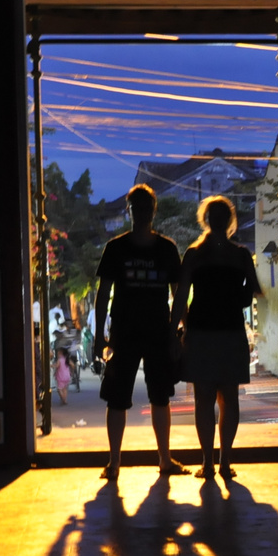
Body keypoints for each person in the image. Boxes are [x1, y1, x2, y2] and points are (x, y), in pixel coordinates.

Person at [92, 184, 185, 479]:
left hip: (157, 331)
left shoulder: (167, 249)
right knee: (117, 397)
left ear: (153, 210)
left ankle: (164, 460)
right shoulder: (116, 248)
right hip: (125, 331)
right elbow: (102, 294)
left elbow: (178, 295)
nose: (142, 213)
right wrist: (98, 337)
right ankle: (115, 461)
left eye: (146, 208)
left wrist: (175, 333)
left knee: (161, 396)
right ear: (129, 211)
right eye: (137, 208)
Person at [171, 195, 260, 479]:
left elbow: (181, 296)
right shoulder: (241, 255)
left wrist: (178, 330)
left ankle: (207, 463)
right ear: (231, 222)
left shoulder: (195, 255)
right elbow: (252, 293)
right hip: (232, 332)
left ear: (205, 220)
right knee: (229, 399)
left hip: (201, 333)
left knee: (203, 400)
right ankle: (225, 462)